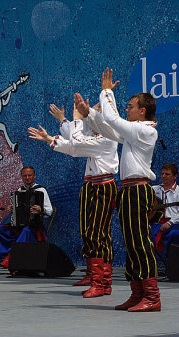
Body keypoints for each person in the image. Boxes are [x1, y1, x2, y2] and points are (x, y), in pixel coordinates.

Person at [75, 68, 161, 312]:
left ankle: (152, 297)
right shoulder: (134, 133)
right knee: (132, 244)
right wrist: (89, 114)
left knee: (140, 243)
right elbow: (110, 130)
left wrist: (106, 92)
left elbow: (113, 120)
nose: (127, 108)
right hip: (128, 190)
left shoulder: (145, 131)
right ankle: (137, 293)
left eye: (131, 106)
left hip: (138, 190)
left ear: (142, 111)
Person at [28, 102, 118, 298]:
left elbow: (77, 144)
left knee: (98, 233)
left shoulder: (107, 136)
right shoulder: (98, 134)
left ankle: (101, 281)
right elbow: (76, 142)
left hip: (102, 185)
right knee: (91, 232)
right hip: (93, 184)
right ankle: (99, 279)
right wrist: (52, 135)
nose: (89, 118)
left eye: (93, 115)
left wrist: (76, 118)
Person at [0, 166, 53, 268]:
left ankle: (12, 259)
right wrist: (12, 209)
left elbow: (50, 211)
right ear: (22, 177)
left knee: (26, 231)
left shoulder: (41, 190)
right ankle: (5, 256)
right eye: (25, 176)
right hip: (19, 226)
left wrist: (41, 210)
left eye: (30, 175)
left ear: (34, 176)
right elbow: (17, 210)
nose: (27, 177)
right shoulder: (20, 190)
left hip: (34, 227)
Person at [151, 163, 179, 254]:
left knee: (175, 234)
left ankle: (171, 264)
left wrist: (170, 223)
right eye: (162, 173)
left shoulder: (178, 191)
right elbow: (141, 193)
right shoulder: (155, 189)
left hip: (173, 223)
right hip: (156, 223)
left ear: (175, 176)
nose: (163, 176)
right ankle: (146, 263)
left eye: (167, 174)